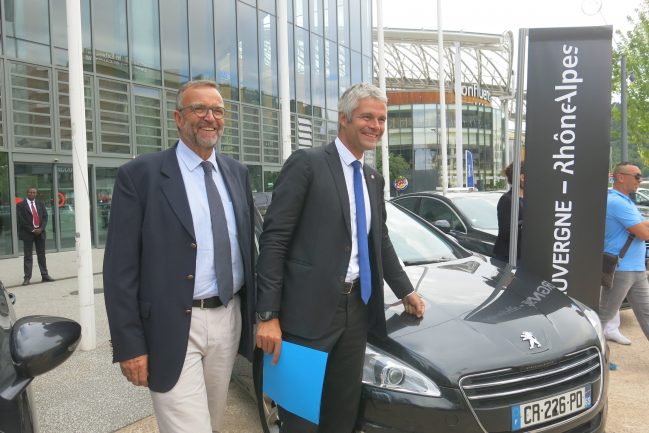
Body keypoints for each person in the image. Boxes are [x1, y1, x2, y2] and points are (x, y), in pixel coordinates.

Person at [255, 82, 425, 433]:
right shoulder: (308, 164)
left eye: (381, 119)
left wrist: (405, 290)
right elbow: (274, 240)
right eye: (367, 117)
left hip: (356, 313)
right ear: (343, 118)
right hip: (304, 317)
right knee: (300, 421)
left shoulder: (373, 178)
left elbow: (380, 240)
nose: (375, 126)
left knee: (340, 418)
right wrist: (268, 314)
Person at [103, 80, 256, 433]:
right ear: (178, 117)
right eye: (199, 109)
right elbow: (119, 269)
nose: (209, 118)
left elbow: (248, 251)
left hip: (228, 318)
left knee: (213, 422)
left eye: (217, 110)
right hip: (173, 326)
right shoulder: (140, 175)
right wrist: (129, 345)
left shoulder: (237, 173)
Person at [599, 162, 649, 345]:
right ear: (620, 177)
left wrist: (640, 227)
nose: (640, 180)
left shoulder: (626, 202)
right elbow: (644, 233)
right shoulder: (616, 202)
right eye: (637, 176)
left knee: (647, 315)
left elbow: (643, 228)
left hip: (636, 268)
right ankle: (586, 355)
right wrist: (640, 228)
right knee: (603, 316)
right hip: (621, 269)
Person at [17, 187, 54, 285]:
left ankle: (45, 275)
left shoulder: (40, 204)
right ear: (27, 193)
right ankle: (27, 278)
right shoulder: (20, 205)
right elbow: (21, 220)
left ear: (36, 194)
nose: (32, 194)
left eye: (34, 192)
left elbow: (45, 217)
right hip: (28, 233)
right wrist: (33, 230)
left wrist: (41, 229)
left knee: (41, 255)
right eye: (30, 192)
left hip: (40, 233)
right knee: (28, 256)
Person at [493, 161, 524, 261]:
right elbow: (506, 232)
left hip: (522, 256)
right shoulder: (507, 200)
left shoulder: (528, 199)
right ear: (522, 178)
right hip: (508, 258)